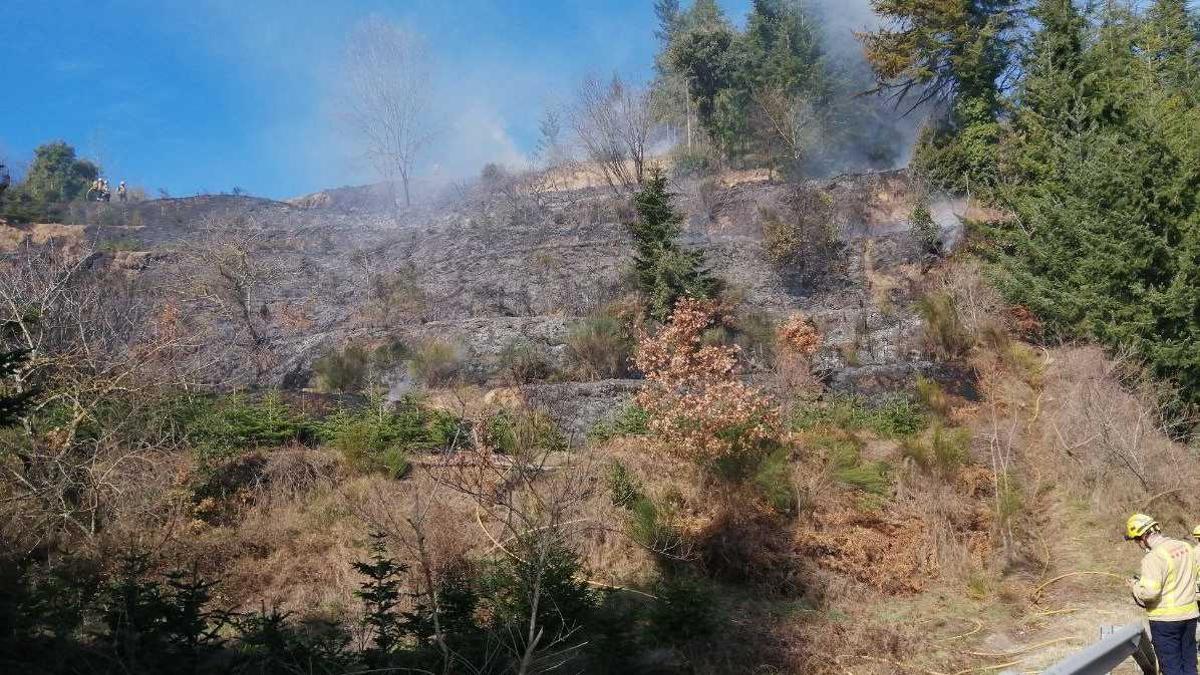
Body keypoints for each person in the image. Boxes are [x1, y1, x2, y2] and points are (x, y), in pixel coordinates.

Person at [1126, 513, 1199, 675]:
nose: (1138, 544)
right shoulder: (1186, 547)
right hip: (1190, 616)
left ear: (1144, 536)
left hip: (1166, 621)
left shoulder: (1153, 557)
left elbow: (1149, 593)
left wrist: (1135, 586)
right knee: (1189, 664)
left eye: (1137, 540)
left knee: (1172, 668)